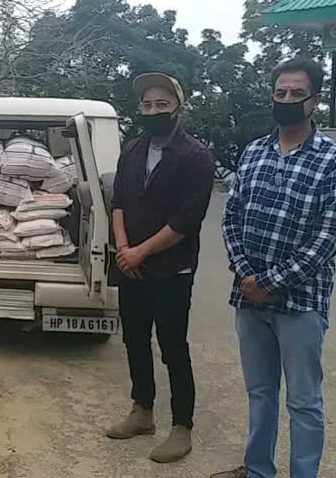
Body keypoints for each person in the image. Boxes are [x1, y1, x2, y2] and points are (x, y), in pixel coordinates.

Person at [213, 59, 336, 478]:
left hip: (302, 302)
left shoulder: (334, 161)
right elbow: (231, 216)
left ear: (315, 102)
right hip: (248, 298)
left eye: (296, 94)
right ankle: (257, 471)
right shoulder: (253, 153)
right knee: (260, 394)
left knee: (304, 401)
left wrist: (271, 282)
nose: (287, 100)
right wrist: (246, 273)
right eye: (280, 93)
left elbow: (327, 238)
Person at [105, 72, 215, 463]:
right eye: (147, 105)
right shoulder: (133, 150)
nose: (153, 111)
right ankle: (142, 411)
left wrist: (142, 253)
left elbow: (187, 220)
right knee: (134, 340)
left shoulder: (196, 156)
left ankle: (181, 426)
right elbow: (117, 201)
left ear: (177, 109)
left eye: (162, 105)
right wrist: (123, 249)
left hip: (172, 269)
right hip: (129, 265)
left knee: (172, 347)